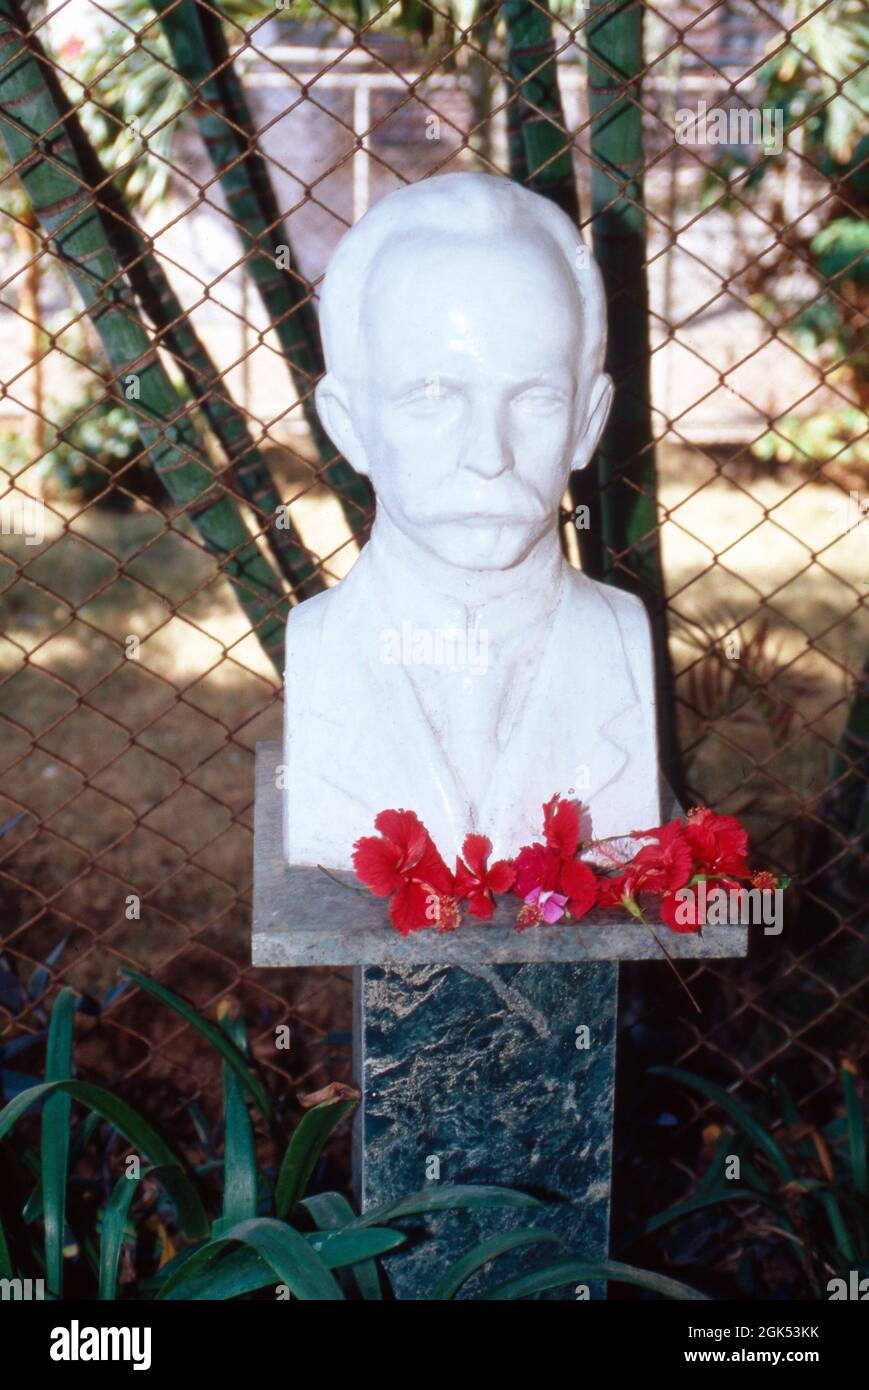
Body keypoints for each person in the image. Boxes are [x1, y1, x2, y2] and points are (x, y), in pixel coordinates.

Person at [283, 172, 659, 869]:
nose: (489, 456)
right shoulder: (320, 651)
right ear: (347, 424)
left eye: (536, 398)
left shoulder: (620, 645)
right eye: (431, 397)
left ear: (588, 422)